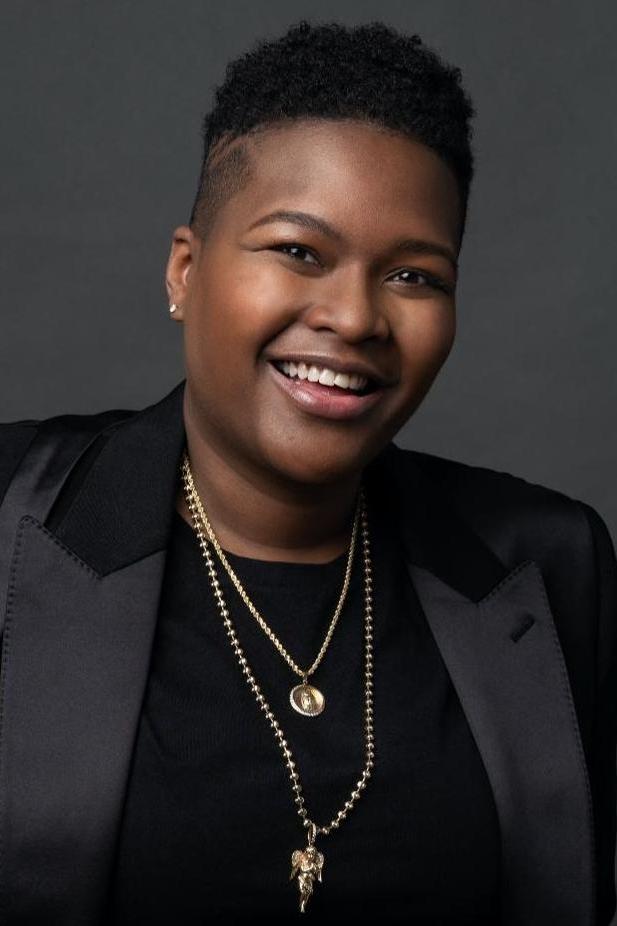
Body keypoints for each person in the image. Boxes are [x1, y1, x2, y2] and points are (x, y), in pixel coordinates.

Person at [0, 18, 615, 926]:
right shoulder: (13, 520)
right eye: (298, 252)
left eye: (414, 276)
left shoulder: (549, 566)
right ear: (184, 272)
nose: (355, 317)